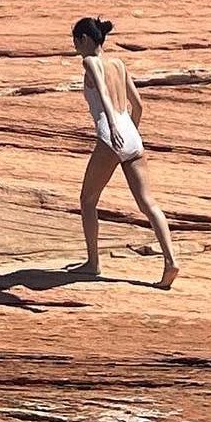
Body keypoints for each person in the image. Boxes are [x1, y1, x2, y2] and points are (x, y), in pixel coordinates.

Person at [72, 15, 180, 290]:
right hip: (132, 134)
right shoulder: (119, 64)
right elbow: (139, 104)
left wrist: (111, 127)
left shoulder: (90, 62)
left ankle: (93, 263)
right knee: (148, 203)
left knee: (87, 200)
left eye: (76, 41)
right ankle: (170, 261)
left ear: (84, 39)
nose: (75, 48)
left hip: (112, 136)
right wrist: (131, 132)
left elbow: (105, 96)